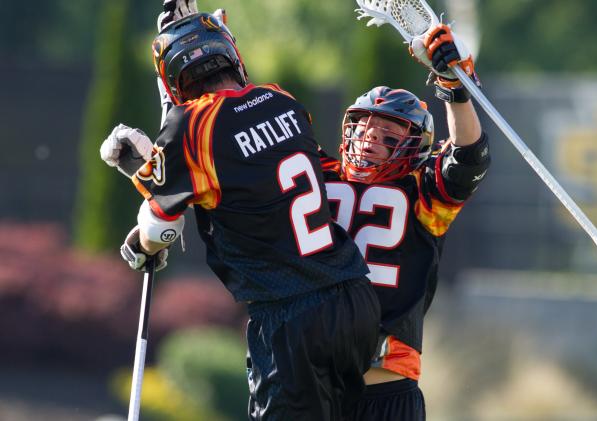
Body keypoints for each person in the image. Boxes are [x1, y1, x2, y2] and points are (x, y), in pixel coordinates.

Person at [100, 11, 380, 421]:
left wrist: (139, 243)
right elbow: (252, 171)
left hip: (290, 315)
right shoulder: (282, 99)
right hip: (355, 299)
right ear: (232, 55)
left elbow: (160, 229)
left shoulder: (191, 127)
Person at [319, 24, 490, 420]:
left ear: (415, 142)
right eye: (363, 125)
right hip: (312, 380)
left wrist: (454, 86)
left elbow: (469, 156)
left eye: (387, 130)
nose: (369, 136)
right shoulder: (318, 175)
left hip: (386, 383)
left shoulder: (423, 193)